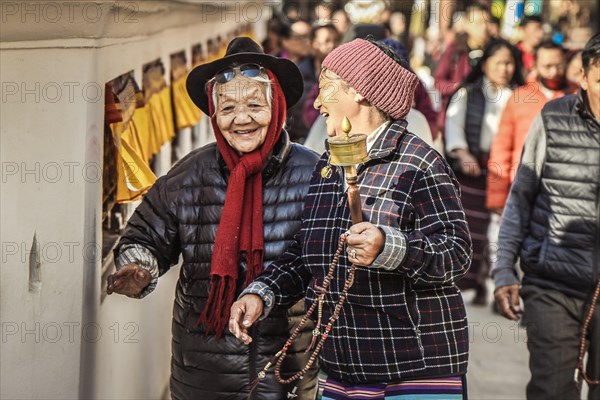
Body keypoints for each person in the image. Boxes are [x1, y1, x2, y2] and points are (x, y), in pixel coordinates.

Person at [231, 38, 472, 399]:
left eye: (326, 87)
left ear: (358, 91)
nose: (316, 102)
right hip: (344, 369)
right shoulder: (331, 164)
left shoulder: (418, 163)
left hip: (414, 372)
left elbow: (456, 253)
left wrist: (390, 247)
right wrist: (261, 293)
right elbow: (307, 250)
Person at [106, 37, 320, 399]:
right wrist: (140, 266)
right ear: (214, 113)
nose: (241, 119)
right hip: (203, 369)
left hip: (286, 367)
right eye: (228, 107)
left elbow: (331, 258)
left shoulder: (314, 174)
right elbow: (145, 236)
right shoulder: (191, 175)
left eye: (255, 104)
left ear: (278, 106)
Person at [493, 33, 600, 400]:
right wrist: (504, 269)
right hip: (552, 281)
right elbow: (521, 197)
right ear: (583, 77)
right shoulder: (553, 118)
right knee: (552, 391)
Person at [445, 39, 524, 305]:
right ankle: (465, 286)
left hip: (505, 170)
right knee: (471, 229)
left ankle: (494, 285)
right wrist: (462, 152)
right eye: (498, 62)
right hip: (472, 170)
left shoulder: (519, 96)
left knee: (499, 229)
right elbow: (453, 125)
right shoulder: (468, 93)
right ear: (486, 64)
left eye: (509, 62)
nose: (504, 68)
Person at [487, 40, 570, 214]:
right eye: (547, 66)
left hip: (565, 191)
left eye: (558, 66)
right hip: (521, 188)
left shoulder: (576, 97)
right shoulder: (520, 97)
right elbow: (502, 148)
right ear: (535, 65)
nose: (554, 72)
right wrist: (497, 197)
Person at [434, 4, 490, 139]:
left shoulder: (493, 51)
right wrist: (457, 87)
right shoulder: (456, 50)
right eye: (478, 23)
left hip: (487, 120)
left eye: (487, 23)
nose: (484, 27)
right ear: (466, 25)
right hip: (455, 119)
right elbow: (439, 81)